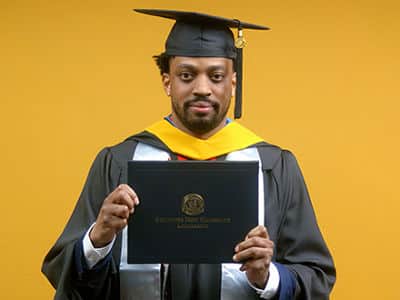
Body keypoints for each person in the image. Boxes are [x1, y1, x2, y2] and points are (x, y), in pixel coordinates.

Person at [42, 9, 336, 300]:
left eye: (216, 76)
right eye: (186, 75)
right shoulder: (119, 163)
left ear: (233, 83)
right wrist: (98, 240)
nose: (202, 88)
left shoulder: (275, 167)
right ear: (167, 81)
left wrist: (268, 277)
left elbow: (316, 276)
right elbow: (65, 277)